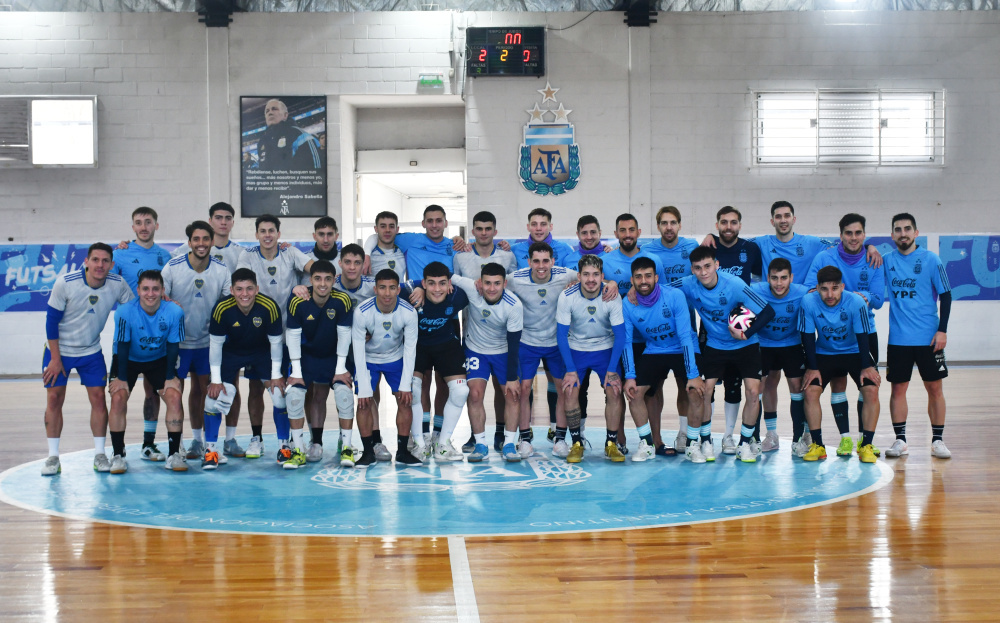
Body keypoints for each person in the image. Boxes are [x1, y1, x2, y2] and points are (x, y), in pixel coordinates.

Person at [671, 246, 775, 463]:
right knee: (704, 392)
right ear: (692, 269)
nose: (703, 272)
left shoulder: (735, 284)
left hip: (745, 346)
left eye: (708, 266)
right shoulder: (689, 284)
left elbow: (767, 312)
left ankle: (745, 443)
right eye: (698, 268)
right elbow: (661, 291)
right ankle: (706, 440)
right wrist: (629, 290)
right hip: (715, 345)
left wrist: (747, 333)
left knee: (753, 393)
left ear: (717, 265)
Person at [41, 243, 133, 476]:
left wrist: (165, 301)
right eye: (95, 260)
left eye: (105, 261)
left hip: (91, 351)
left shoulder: (117, 284)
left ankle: (100, 454)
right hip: (59, 350)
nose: (100, 265)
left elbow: (135, 308)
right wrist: (55, 358)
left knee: (99, 400)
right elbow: (51, 321)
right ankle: (53, 457)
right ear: (86, 261)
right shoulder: (66, 283)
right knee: (54, 399)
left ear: (111, 264)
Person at [804, 213, 886, 456]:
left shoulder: (874, 259)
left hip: (863, 334)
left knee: (868, 385)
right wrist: (835, 297)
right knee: (836, 386)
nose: (853, 237)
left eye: (858, 233)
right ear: (840, 235)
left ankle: (865, 442)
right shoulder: (824, 257)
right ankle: (844, 440)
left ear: (864, 234)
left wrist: (860, 299)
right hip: (829, 341)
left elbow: (878, 299)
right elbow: (810, 288)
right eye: (848, 233)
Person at [237, 214, 313, 460]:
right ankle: (256, 437)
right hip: (258, 336)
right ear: (257, 234)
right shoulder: (247, 257)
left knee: (287, 390)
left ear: (279, 234)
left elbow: (315, 268)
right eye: (263, 231)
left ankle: (289, 440)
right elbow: (241, 287)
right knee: (256, 387)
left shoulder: (290, 253)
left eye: (272, 230)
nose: (267, 235)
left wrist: (306, 286)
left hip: (287, 335)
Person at [161, 221, 234, 461]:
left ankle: (205, 443)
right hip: (178, 344)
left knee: (207, 391)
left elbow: (227, 306)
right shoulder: (172, 267)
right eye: (196, 239)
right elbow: (161, 300)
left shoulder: (222, 270)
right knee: (175, 393)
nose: (201, 244)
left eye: (205, 239)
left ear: (212, 241)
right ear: (189, 242)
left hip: (207, 343)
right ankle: (182, 444)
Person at [882, 213, 953, 459]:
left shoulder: (931, 260)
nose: (903, 233)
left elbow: (946, 295)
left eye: (907, 229)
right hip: (899, 339)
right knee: (897, 390)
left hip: (929, 339)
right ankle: (900, 440)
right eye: (898, 230)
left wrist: (942, 330)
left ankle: (937, 440)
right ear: (892, 235)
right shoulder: (885, 261)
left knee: (934, 389)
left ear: (916, 233)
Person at [621, 257, 703, 462]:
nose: (643, 281)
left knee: (694, 391)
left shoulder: (674, 296)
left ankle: (693, 444)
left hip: (682, 348)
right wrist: (630, 376)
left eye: (648, 276)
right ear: (632, 280)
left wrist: (693, 375)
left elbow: (685, 335)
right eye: (638, 277)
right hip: (654, 350)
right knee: (634, 393)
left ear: (656, 277)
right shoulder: (627, 303)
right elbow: (626, 342)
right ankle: (647, 444)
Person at [203, 269, 284, 470]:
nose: (244, 294)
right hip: (231, 353)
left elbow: (276, 343)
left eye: (249, 288)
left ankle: (285, 447)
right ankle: (211, 450)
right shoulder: (222, 308)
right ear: (231, 290)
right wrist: (215, 380)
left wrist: (276, 376)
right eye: (239, 289)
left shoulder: (269, 306)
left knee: (280, 396)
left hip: (262, 352)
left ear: (257, 289)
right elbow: (215, 345)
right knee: (213, 398)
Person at [798, 266, 881, 464]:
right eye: (824, 289)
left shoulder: (856, 302)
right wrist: (812, 367)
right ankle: (818, 445)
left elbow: (863, 336)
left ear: (842, 287)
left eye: (835, 288)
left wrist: (866, 366)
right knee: (810, 391)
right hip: (824, 353)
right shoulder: (808, 302)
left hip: (854, 351)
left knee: (871, 390)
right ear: (817, 288)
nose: (830, 294)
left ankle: (866, 445)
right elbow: (808, 337)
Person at [108, 271, 186, 473]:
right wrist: (122, 378)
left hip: (159, 359)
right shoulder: (125, 312)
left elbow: (173, 345)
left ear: (162, 291)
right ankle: (118, 454)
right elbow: (122, 345)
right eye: (145, 289)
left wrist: (170, 377)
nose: (150, 293)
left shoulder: (174, 312)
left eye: (155, 289)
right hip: (127, 359)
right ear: (138, 290)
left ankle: (174, 454)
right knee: (118, 398)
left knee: (175, 397)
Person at [453, 211, 518, 451]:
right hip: (473, 334)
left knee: (505, 391)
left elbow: (516, 285)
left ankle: (501, 433)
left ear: (495, 231)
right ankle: (475, 436)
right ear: (472, 231)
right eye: (478, 228)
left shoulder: (507, 255)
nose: (483, 233)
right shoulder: (461, 257)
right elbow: (453, 288)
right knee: (475, 392)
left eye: (487, 228)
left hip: (502, 337)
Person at [112, 206, 173, 461]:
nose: (144, 226)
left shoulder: (166, 256)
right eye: (139, 222)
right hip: (127, 341)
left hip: (156, 342)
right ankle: (118, 451)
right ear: (133, 226)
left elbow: (169, 293)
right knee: (120, 394)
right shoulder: (119, 254)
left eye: (148, 222)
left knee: (153, 393)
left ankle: (148, 444)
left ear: (156, 225)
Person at [506, 242, 578, 458]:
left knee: (563, 388)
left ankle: (559, 439)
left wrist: (611, 284)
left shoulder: (565, 275)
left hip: (556, 342)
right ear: (528, 262)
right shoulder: (515, 278)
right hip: (527, 342)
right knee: (524, 389)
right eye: (536, 261)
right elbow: (490, 284)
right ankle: (525, 439)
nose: (541, 265)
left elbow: (591, 278)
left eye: (545, 260)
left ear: (553, 261)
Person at [702, 206, 764, 454]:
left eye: (734, 222)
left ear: (740, 225)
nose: (729, 226)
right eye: (724, 222)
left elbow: (758, 282)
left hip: (741, 327)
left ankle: (730, 436)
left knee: (736, 385)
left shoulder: (750, 249)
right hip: (711, 329)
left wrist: (747, 318)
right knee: (708, 387)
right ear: (717, 225)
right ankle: (705, 438)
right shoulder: (709, 248)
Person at [556, 254, 628, 464]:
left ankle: (611, 443)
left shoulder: (611, 295)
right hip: (576, 348)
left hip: (605, 348)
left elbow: (621, 335)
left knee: (615, 389)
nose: (591, 279)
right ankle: (577, 443)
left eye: (595, 274)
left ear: (602, 276)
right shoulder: (567, 295)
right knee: (569, 389)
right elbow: (561, 335)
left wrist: (612, 369)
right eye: (586, 274)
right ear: (578, 276)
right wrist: (570, 369)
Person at [640, 206, 701, 453]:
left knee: (685, 383)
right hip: (655, 329)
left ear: (680, 224)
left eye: (673, 222)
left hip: (685, 323)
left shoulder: (692, 247)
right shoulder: (648, 251)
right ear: (658, 226)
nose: (669, 227)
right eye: (664, 223)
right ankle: (655, 440)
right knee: (654, 388)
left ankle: (684, 434)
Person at [451, 263, 524, 462]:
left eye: (497, 284)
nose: (491, 288)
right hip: (476, 350)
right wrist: (416, 288)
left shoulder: (513, 305)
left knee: (512, 394)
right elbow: (447, 275)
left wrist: (512, 378)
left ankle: (509, 443)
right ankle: (480, 444)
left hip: (504, 351)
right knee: (474, 394)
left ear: (505, 284)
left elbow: (514, 343)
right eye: (487, 283)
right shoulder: (470, 288)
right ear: (479, 282)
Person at [284, 260, 354, 469]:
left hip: (333, 356)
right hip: (306, 357)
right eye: (317, 279)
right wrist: (296, 372)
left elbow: (344, 336)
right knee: (295, 396)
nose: (322, 284)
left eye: (327, 279)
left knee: (344, 395)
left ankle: (347, 448)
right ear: (310, 280)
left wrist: (341, 368)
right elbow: (293, 337)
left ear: (335, 280)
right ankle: (298, 450)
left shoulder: (342, 300)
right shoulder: (298, 301)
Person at [352, 269, 421, 466]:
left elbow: (410, 350)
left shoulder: (408, 312)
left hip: (395, 357)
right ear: (375, 289)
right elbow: (357, 349)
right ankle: (368, 452)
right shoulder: (362, 312)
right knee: (363, 401)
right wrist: (364, 387)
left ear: (399, 289)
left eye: (392, 288)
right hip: (368, 358)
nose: (387, 293)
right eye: (382, 288)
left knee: (406, 399)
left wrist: (406, 385)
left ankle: (402, 451)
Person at [404, 261, 471, 462]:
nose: (437, 289)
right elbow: (391, 287)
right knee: (414, 390)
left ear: (449, 283)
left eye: (442, 283)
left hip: (446, 345)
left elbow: (477, 286)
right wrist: (417, 287)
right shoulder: (410, 292)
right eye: (431, 284)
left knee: (460, 391)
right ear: (424, 283)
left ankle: (442, 443)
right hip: (418, 346)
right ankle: (420, 441)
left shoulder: (458, 294)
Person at [331, 244, 388, 462]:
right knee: (343, 392)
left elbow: (389, 304)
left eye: (357, 262)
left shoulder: (372, 285)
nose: (352, 267)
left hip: (367, 349)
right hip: (340, 350)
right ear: (340, 264)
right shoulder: (331, 285)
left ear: (363, 264)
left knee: (371, 393)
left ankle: (376, 440)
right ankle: (343, 436)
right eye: (348, 262)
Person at [749, 259, 811, 455]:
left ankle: (799, 438)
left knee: (796, 387)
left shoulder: (802, 292)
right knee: (762, 387)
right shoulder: (755, 290)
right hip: (763, 345)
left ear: (791, 278)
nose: (779, 283)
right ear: (767, 278)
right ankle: (767, 436)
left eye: (784, 278)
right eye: (774, 278)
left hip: (791, 344)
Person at [171, 202, 245, 272]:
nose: (223, 222)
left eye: (228, 218)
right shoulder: (189, 248)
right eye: (218, 218)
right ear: (210, 221)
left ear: (233, 222)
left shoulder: (241, 253)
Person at [255, 98, 322, 171]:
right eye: (267, 111)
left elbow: (315, 169)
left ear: (285, 115)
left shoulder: (298, 134)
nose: (270, 112)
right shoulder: (262, 141)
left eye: (274, 109)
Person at [510, 208, 576, 269]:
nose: (538, 228)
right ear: (528, 227)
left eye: (543, 224)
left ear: (550, 226)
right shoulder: (514, 250)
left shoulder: (565, 249)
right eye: (534, 224)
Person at [369, 211, 407, 281]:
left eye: (391, 226)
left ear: (397, 229)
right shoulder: (369, 256)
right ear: (376, 229)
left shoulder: (403, 253)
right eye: (383, 226)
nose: (387, 230)